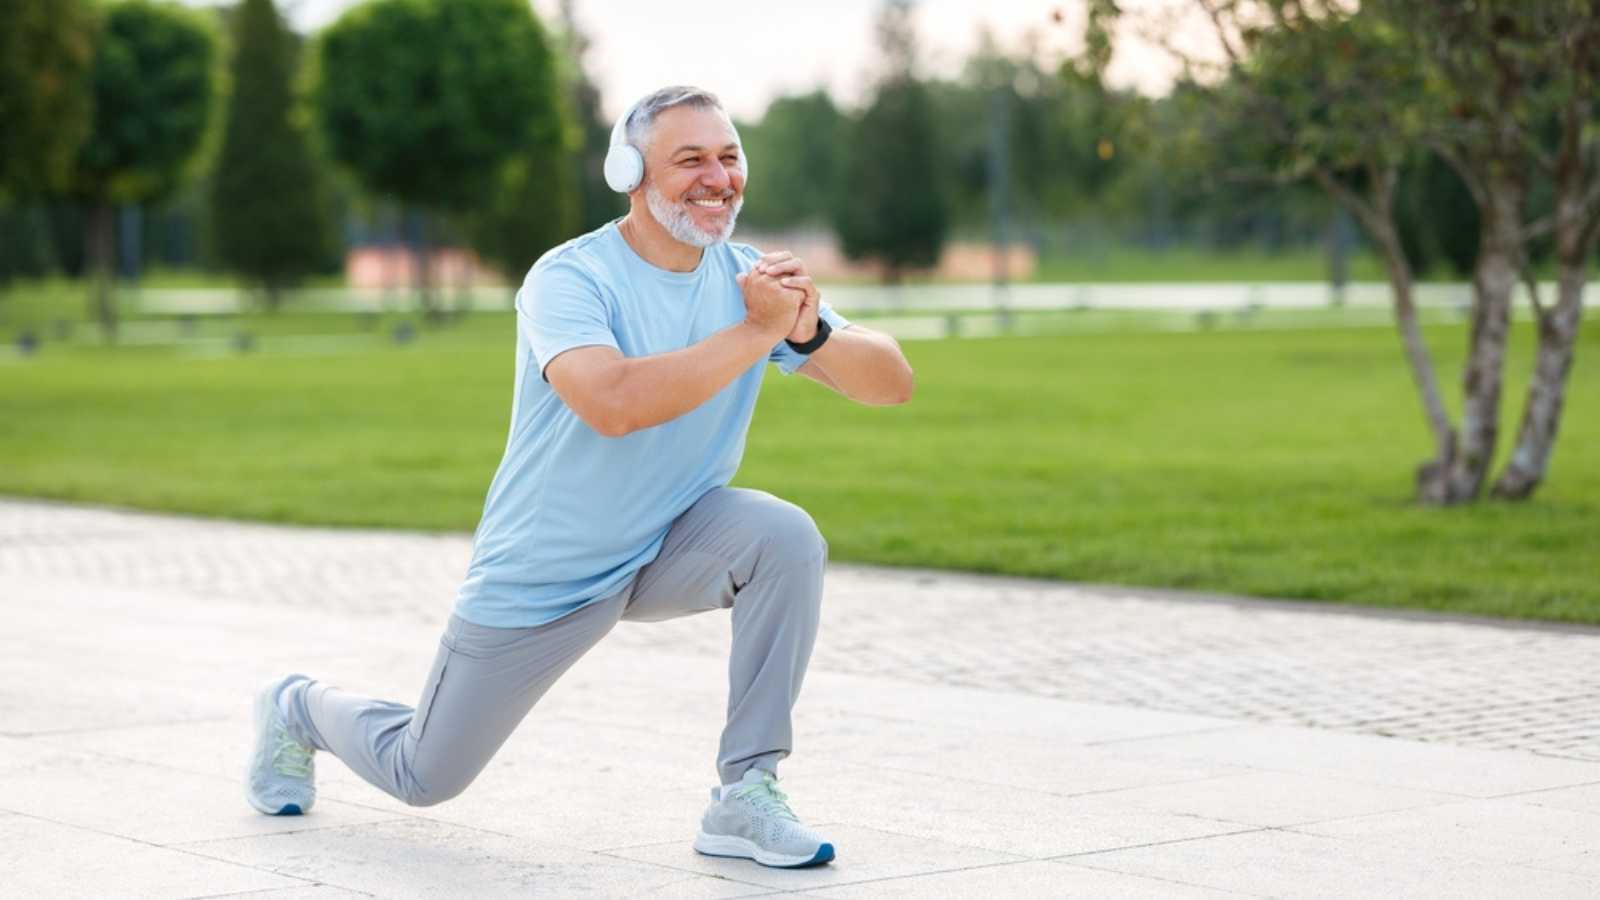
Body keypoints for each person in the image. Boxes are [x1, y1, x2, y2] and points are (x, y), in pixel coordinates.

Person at [246, 85, 915, 869]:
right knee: (424, 774)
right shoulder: (570, 278)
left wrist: (806, 326)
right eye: (690, 160)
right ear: (629, 171)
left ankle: (746, 793)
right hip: (548, 571)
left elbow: (890, 381)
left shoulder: (748, 285)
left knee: (783, 537)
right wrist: (758, 330)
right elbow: (613, 402)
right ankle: (297, 707)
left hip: (669, 544)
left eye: (729, 157)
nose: (717, 178)